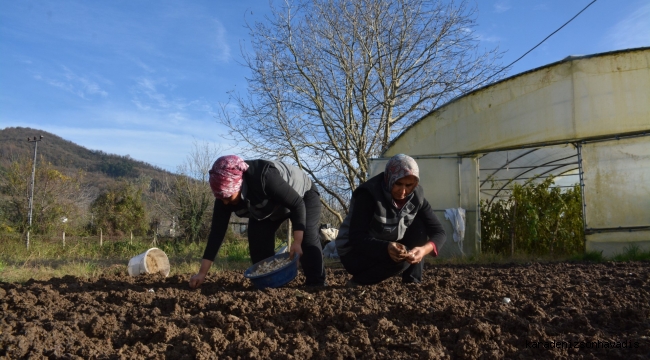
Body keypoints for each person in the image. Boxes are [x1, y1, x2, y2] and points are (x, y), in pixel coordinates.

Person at [189, 155, 326, 288]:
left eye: (228, 197)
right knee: (258, 240)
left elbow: (297, 204)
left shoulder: (264, 176)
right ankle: (270, 284)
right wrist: (202, 273)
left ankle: (316, 283)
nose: (225, 202)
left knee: (307, 235)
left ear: (239, 185)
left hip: (302, 195)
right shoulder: (223, 197)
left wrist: (297, 241)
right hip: (267, 206)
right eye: (221, 198)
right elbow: (216, 233)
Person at [335, 154, 446, 285]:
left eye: (409, 185)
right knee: (402, 259)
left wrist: (423, 250)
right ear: (389, 178)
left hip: (387, 244)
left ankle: (412, 282)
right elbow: (356, 238)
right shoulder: (369, 194)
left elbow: (439, 232)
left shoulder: (417, 197)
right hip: (355, 254)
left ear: (415, 184)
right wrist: (386, 247)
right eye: (398, 183)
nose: (403, 191)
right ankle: (360, 281)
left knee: (418, 225)